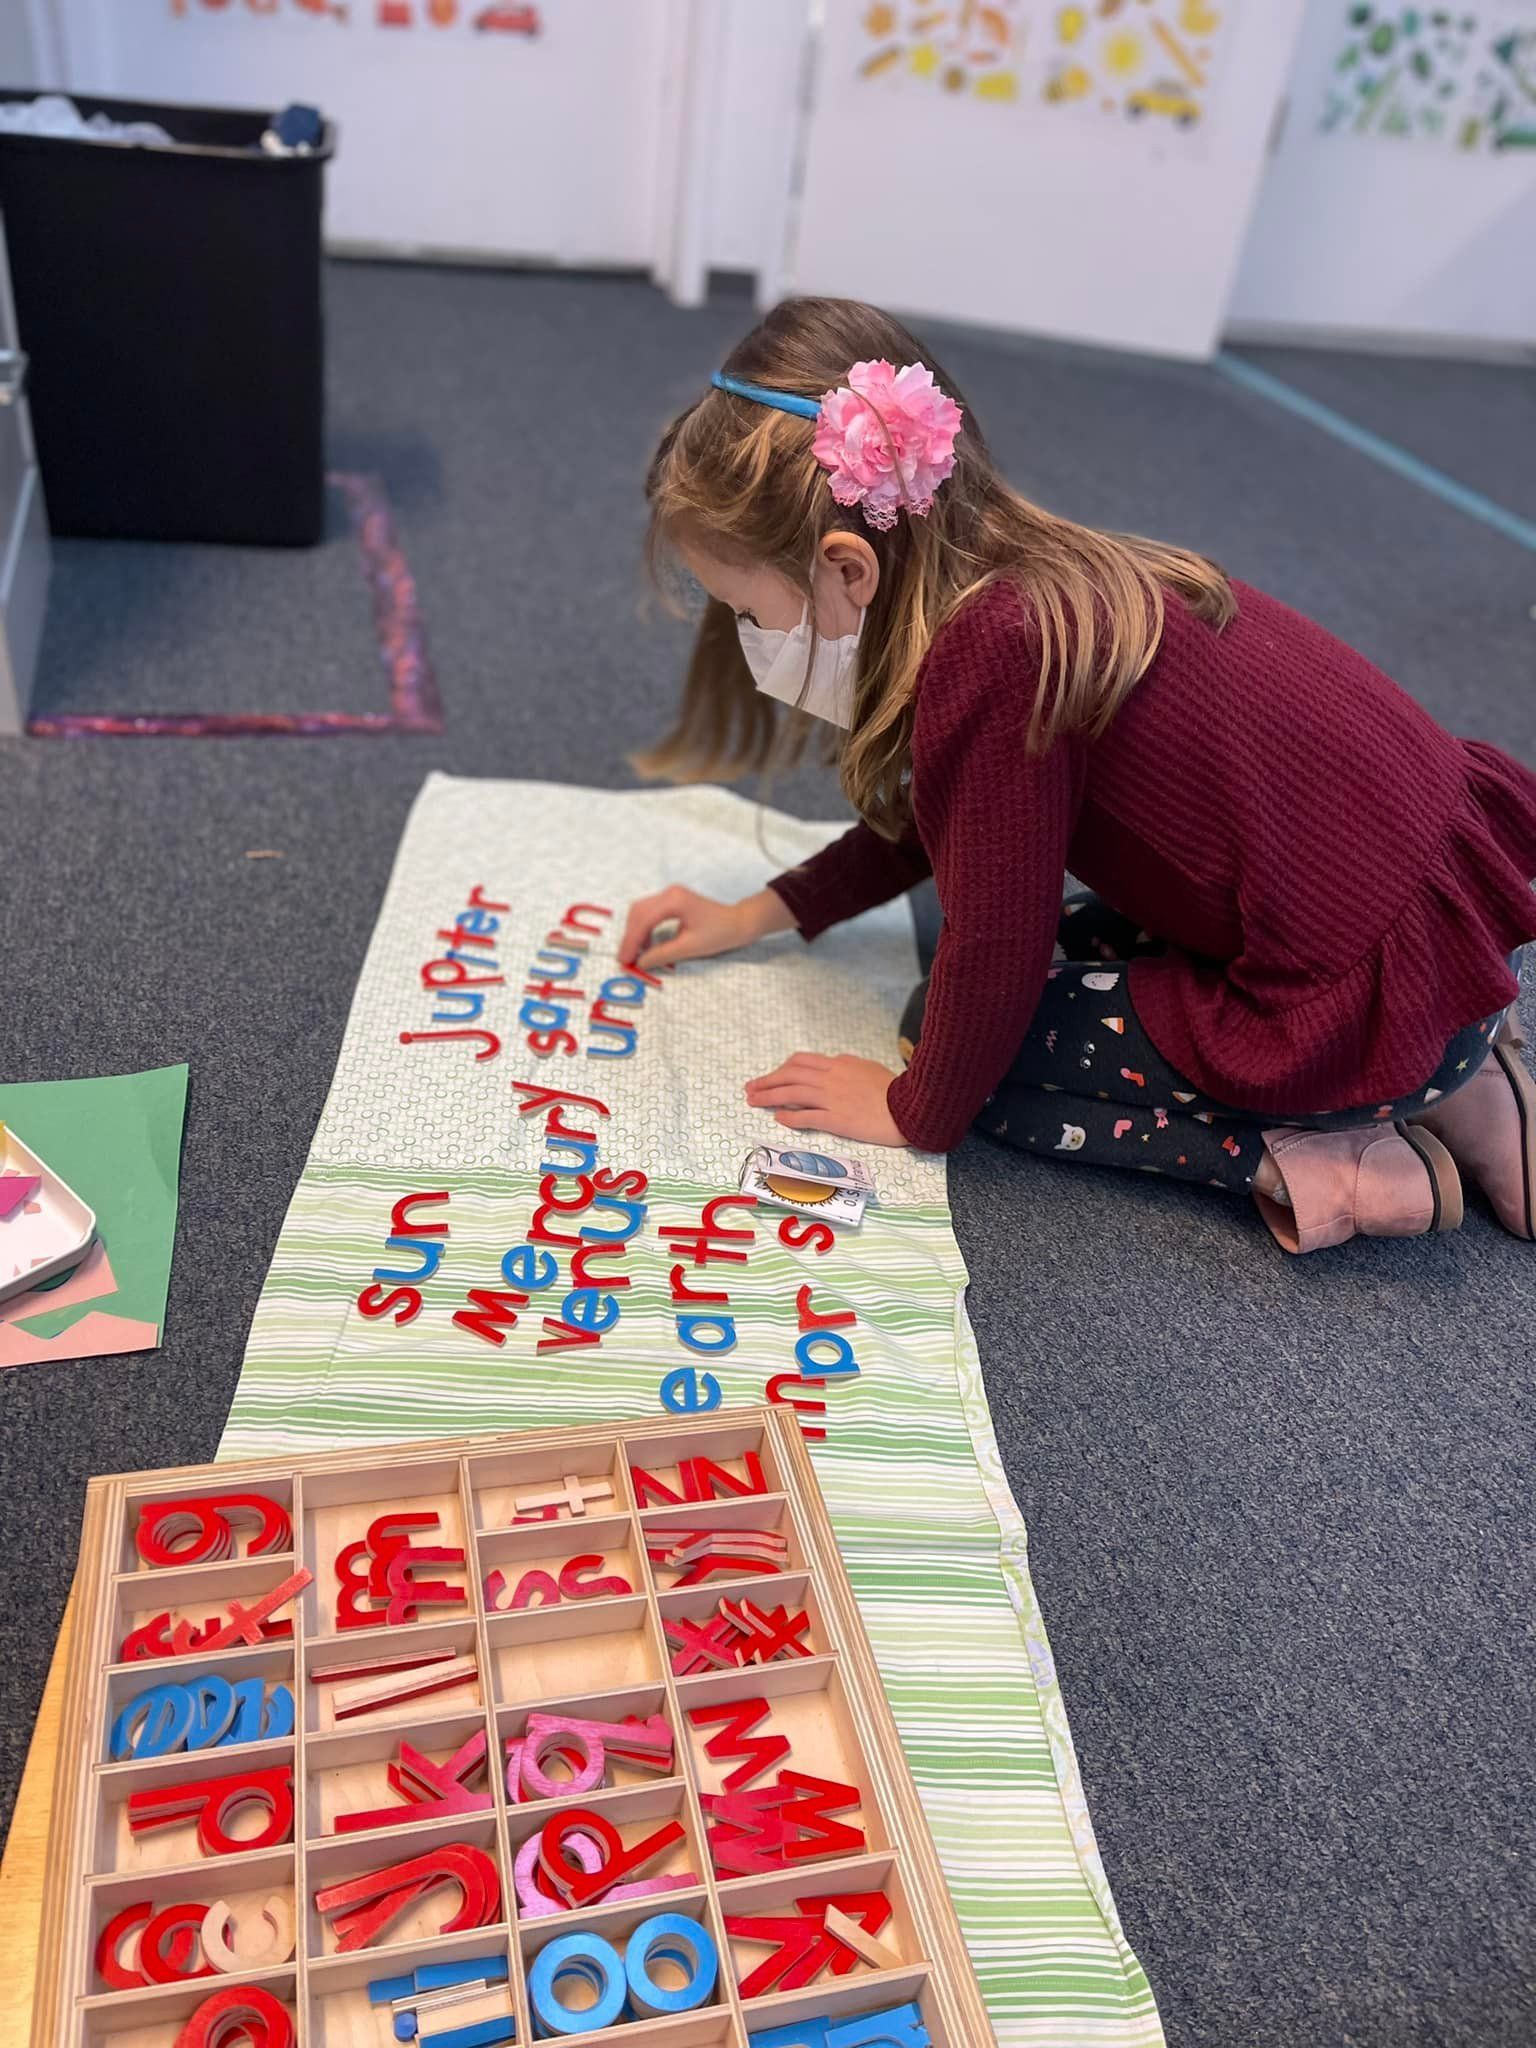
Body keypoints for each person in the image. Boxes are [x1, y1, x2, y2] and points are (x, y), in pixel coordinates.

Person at [619, 297, 1536, 1254]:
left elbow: (996, 939)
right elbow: (943, 820)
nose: (748, 639)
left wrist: (912, 1111)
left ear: (849, 570)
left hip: (1363, 993)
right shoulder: (1017, 577)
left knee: (971, 1054)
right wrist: (766, 909)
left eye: (748, 611)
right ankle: (1462, 1080)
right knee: (1006, 990)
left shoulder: (993, 654)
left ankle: (1338, 1154)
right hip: (1435, 944)